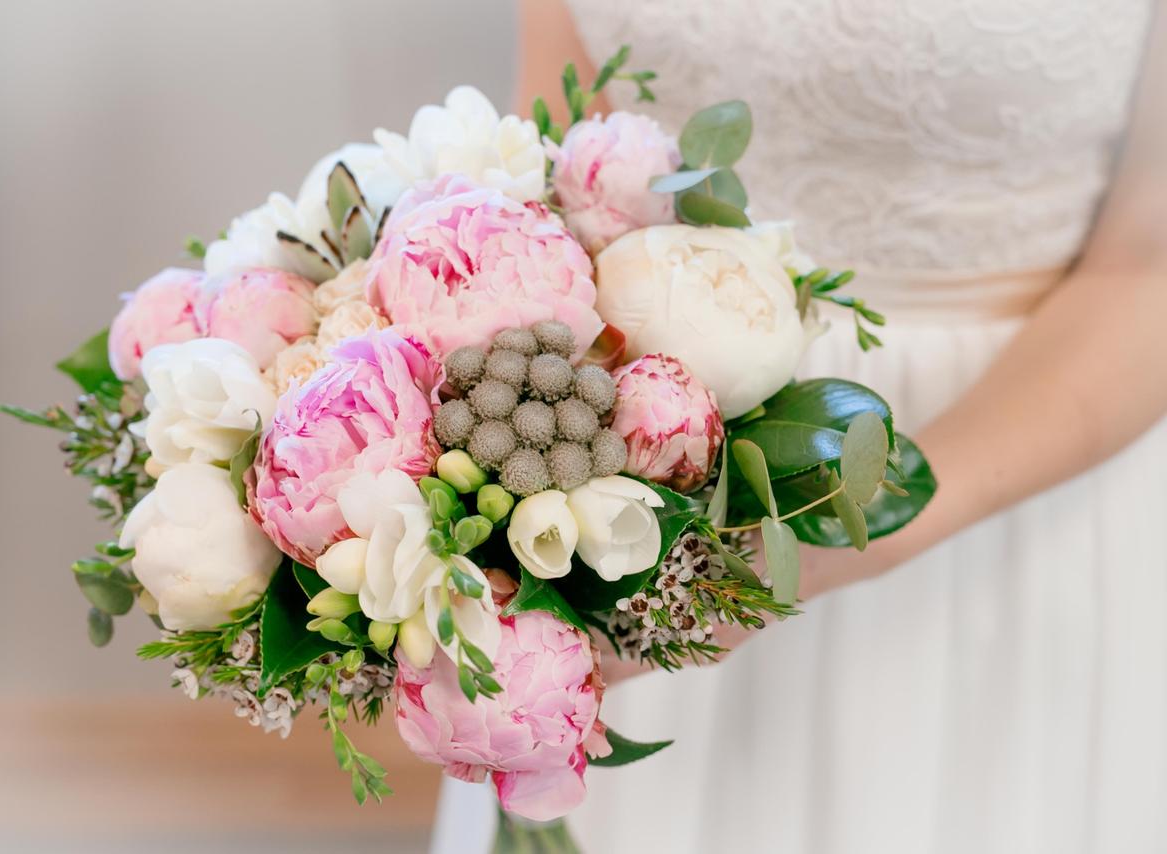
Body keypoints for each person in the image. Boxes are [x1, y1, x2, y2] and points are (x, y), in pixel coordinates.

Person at [432, 1, 1167, 851]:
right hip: (652, 485)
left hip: (1026, 463)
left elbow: (1149, 269)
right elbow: (552, 174)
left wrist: (822, 545)